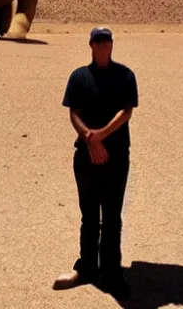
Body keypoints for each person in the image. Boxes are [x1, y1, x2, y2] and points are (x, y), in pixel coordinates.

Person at [53, 26, 138, 300]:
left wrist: (100, 136)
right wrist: (89, 138)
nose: (102, 46)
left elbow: (126, 112)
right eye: (97, 42)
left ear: (112, 45)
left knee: (112, 217)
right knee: (89, 215)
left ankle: (112, 273)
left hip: (115, 157)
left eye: (106, 41)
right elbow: (73, 112)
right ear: (91, 46)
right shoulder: (79, 77)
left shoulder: (125, 76)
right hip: (86, 156)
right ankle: (87, 268)